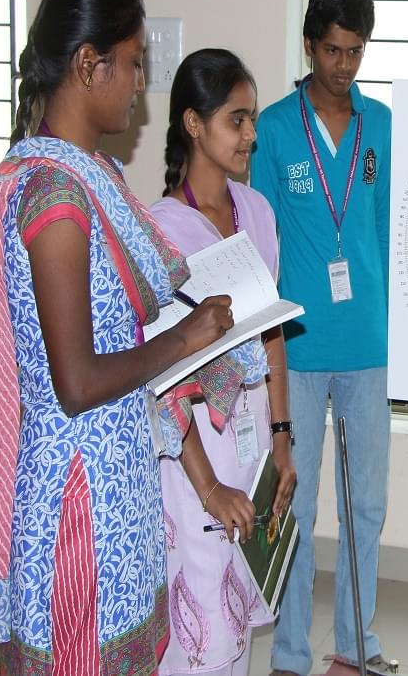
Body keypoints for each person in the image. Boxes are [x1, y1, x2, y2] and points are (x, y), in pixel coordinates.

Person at [0, 0, 238, 675]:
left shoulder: (90, 175)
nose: (138, 83)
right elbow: (74, 380)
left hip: (115, 482)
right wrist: (183, 340)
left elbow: (120, 338)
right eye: (132, 63)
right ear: (87, 63)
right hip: (76, 502)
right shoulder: (54, 198)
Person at [250, 0, 391, 676]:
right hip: (298, 350)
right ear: (310, 46)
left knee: (367, 503)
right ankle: (290, 653)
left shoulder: (381, 125)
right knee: (295, 507)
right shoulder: (274, 128)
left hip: (367, 342)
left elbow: (383, 231)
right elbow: (260, 247)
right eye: (332, 51)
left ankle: (357, 647)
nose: (343, 66)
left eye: (355, 52)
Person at [150, 48, 297, 676]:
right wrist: (208, 486)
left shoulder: (258, 212)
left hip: (254, 440)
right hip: (193, 457)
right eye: (237, 120)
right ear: (193, 124)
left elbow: (273, 338)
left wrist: (283, 439)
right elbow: (162, 382)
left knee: (238, 631)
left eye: (253, 120)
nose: (251, 135)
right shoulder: (158, 229)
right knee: (200, 630)